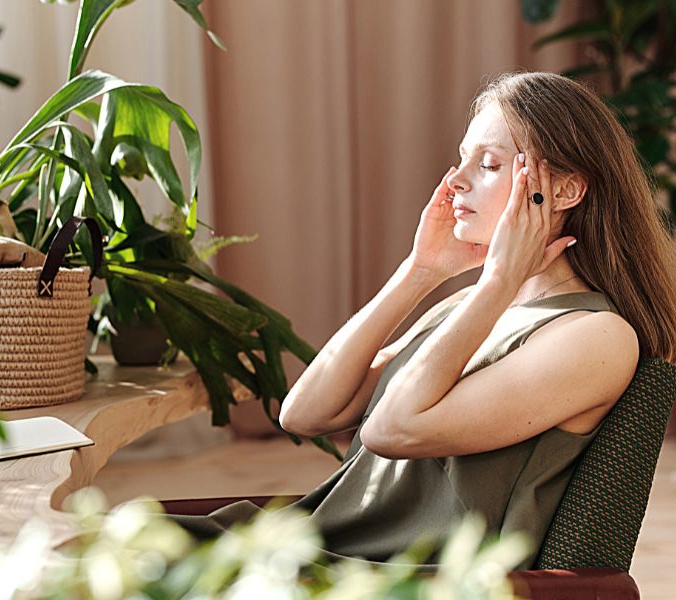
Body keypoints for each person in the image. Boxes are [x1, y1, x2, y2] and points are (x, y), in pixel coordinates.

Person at [168, 71, 676, 570]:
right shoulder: (470, 308)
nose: (456, 180)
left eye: (489, 164)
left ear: (563, 192)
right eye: (462, 160)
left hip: (387, 577)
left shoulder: (595, 337)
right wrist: (419, 272)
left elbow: (392, 429)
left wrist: (497, 282)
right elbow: (304, 413)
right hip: (310, 544)